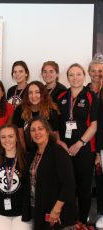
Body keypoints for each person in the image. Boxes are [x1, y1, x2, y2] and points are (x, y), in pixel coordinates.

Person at [57, 63, 98, 227]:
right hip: (64, 149)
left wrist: (79, 144)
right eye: (71, 75)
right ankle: (69, 218)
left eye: (78, 74)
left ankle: (82, 219)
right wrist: (60, 142)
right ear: (67, 78)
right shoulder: (61, 97)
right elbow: (56, 125)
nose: (75, 78)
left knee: (83, 186)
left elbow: (94, 126)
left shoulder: (91, 96)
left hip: (84, 149)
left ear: (84, 76)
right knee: (67, 185)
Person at [24, 116, 76, 230]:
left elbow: (69, 184)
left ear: (47, 131)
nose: (37, 132)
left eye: (40, 128)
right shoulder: (33, 154)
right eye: (33, 130)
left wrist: (56, 210)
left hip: (57, 214)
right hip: (39, 209)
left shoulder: (58, 152)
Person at [0, 124, 31, 230]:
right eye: (3, 137)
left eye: (10, 136)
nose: (7, 140)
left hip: (22, 212)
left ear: (17, 138)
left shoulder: (27, 158)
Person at [12, 81, 59, 151]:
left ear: (43, 94)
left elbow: (54, 135)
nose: (33, 96)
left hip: (47, 149)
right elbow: (20, 135)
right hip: (27, 149)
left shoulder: (51, 110)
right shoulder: (20, 109)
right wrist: (24, 153)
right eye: (30, 93)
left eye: (37, 92)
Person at [89, 54, 103, 229]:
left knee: (100, 180)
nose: (97, 74)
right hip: (87, 143)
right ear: (89, 72)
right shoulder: (85, 90)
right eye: (93, 70)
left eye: (100, 71)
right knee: (86, 181)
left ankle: (101, 213)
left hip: (102, 144)